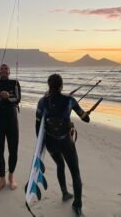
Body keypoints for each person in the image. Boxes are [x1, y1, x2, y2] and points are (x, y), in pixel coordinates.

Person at [35, 74, 90, 217]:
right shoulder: (70, 100)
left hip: (51, 143)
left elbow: (37, 125)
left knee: (60, 164)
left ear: (49, 85)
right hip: (66, 142)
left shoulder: (42, 102)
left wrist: (41, 145)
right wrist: (86, 114)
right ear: (61, 85)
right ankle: (77, 205)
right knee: (75, 173)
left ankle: (65, 193)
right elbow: (85, 119)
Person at [0, 64, 21, 192]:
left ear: (9, 72)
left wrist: (8, 97)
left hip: (12, 121)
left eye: (6, 68)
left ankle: (11, 177)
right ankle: (2, 179)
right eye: (2, 68)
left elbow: (17, 99)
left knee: (13, 150)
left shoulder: (15, 83)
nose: (4, 70)